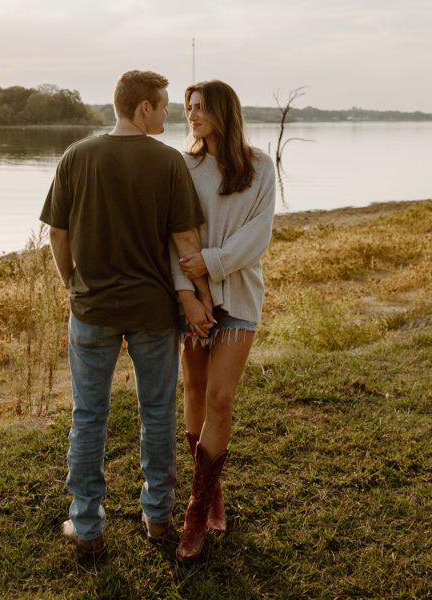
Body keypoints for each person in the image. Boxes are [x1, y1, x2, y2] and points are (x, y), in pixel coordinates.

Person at [39, 69, 213, 557]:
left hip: (91, 310)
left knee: (89, 414)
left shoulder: (77, 156)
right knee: (157, 412)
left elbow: (58, 233)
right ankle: (158, 518)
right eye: (162, 106)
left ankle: (87, 527)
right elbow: (185, 240)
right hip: (153, 313)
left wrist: (71, 282)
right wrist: (202, 293)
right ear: (143, 109)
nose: (168, 113)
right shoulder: (168, 163)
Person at [170, 80, 276, 561]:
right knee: (193, 391)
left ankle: (194, 510)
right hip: (192, 298)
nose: (190, 115)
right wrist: (190, 288)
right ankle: (209, 490)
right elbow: (168, 234)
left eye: (199, 108)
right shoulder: (183, 165)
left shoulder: (260, 166)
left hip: (239, 294)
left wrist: (210, 263)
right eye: (187, 108)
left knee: (221, 396)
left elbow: (257, 236)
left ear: (222, 111)